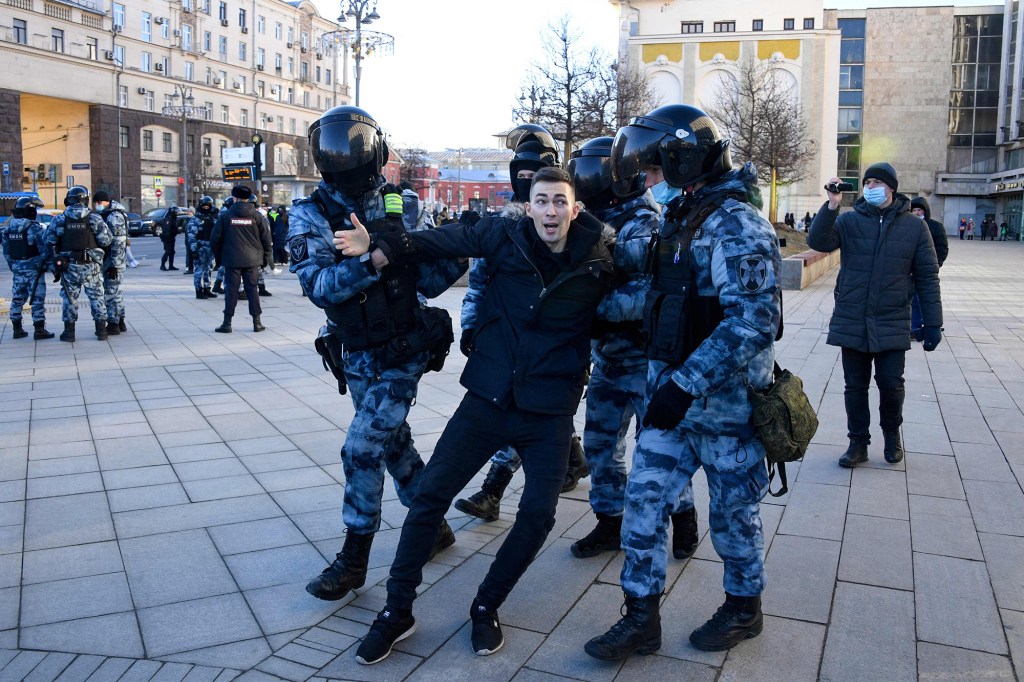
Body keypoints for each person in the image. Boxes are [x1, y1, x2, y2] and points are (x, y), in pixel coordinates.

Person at [339, 166, 616, 664]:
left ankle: (486, 605)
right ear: (528, 206)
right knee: (428, 498)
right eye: (542, 201)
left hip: (547, 414)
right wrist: (380, 245)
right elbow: (439, 240)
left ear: (575, 209)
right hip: (486, 402)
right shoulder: (504, 235)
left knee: (537, 516)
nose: (550, 211)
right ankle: (396, 611)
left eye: (560, 202)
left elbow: (647, 300)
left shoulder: (600, 260)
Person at [586, 104, 781, 659]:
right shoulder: (683, 217)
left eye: (651, 170)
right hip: (670, 408)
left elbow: (753, 321)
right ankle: (641, 620)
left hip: (725, 411)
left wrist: (684, 384)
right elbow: (660, 291)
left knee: (733, 518)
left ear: (681, 161)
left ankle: (745, 608)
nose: (646, 182)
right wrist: (580, 248)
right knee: (644, 508)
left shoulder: (738, 225)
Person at [288, 105, 465, 604]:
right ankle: (433, 527)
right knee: (393, 444)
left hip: (402, 350)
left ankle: (354, 558)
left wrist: (453, 249)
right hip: (355, 351)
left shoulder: (403, 205)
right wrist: (379, 257)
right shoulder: (309, 214)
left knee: (362, 447)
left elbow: (429, 281)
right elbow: (321, 287)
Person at [565, 136, 698, 562]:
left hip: (646, 362)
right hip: (608, 359)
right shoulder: (587, 222)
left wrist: (592, 308)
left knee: (660, 450)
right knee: (601, 445)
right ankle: (609, 520)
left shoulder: (646, 222)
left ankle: (684, 516)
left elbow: (647, 295)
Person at [453, 124, 588, 523]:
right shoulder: (504, 220)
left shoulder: (564, 217)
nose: (527, 179)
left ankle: (492, 490)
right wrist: (470, 326)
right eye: (522, 172)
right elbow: (479, 280)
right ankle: (574, 459)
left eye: (536, 171)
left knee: (521, 408)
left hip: (552, 341)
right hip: (505, 334)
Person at [808, 163, 942, 469]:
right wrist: (831, 205)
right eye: (867, 181)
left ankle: (892, 435)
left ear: (892, 187)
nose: (871, 186)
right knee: (854, 385)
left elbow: (927, 277)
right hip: (853, 315)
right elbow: (818, 242)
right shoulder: (850, 221)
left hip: (892, 317)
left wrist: (932, 323)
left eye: (877, 182)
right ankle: (858, 443)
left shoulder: (914, 227)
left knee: (891, 383)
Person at [46, 186, 113, 342]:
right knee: (97, 297)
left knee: (70, 298)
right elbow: (107, 240)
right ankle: (101, 330)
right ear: (85, 199)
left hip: (68, 266)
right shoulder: (94, 218)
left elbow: (48, 240)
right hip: (91, 266)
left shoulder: (60, 219)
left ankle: (69, 332)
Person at [209, 185, 272, 333]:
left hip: (232, 260)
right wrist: (264, 259)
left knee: (231, 291)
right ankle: (257, 322)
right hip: (252, 261)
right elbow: (266, 240)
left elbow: (214, 240)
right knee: (253, 291)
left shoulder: (225, 217)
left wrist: (220, 259)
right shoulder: (257, 217)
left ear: (234, 198)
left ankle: (227, 323)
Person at [1, 196, 54, 340]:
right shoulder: (34, 228)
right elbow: (45, 250)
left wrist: (15, 266)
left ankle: (17, 329)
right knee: (37, 299)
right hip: (34, 270)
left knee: (17, 298)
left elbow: (7, 252)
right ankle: (39, 329)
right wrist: (52, 267)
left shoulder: (7, 230)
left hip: (18, 269)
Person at [909, 197, 948, 342]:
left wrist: (935, 265)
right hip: (909, 271)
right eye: (914, 210)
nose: (916, 212)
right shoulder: (907, 226)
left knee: (923, 299)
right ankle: (914, 328)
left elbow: (942, 249)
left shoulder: (935, 227)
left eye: (919, 210)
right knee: (912, 300)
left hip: (926, 271)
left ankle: (925, 326)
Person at [93, 191, 129, 335]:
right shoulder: (111, 213)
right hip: (111, 260)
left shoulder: (114, 216)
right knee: (116, 291)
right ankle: (120, 321)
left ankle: (114, 324)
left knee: (112, 292)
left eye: (98, 203)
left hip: (113, 261)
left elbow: (118, 242)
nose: (97, 206)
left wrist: (114, 264)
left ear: (104, 201)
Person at [187, 195, 219, 300]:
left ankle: (207, 288)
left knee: (209, 269)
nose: (206, 208)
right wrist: (194, 250)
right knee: (199, 270)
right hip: (200, 248)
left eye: (208, 206)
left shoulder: (213, 219)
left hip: (211, 248)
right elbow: (191, 236)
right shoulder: (195, 220)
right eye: (204, 206)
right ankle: (198, 290)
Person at [159, 206, 180, 270]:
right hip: (167, 238)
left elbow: (174, 228)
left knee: (172, 252)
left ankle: (171, 265)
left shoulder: (173, 219)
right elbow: (166, 229)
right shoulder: (168, 219)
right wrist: (167, 238)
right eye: (176, 212)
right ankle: (162, 265)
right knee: (167, 251)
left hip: (172, 237)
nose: (177, 214)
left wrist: (177, 231)